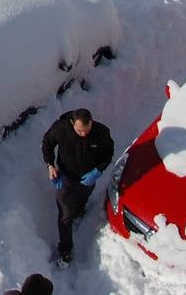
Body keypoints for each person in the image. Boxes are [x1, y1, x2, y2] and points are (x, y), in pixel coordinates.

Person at [41, 107, 113, 264]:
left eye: (87, 130)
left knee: (82, 199)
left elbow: (108, 154)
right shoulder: (61, 129)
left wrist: (98, 171)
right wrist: (50, 165)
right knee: (65, 215)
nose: (84, 134)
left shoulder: (101, 133)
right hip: (65, 178)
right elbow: (47, 144)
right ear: (72, 123)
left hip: (87, 179)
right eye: (80, 131)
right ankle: (65, 250)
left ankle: (79, 210)